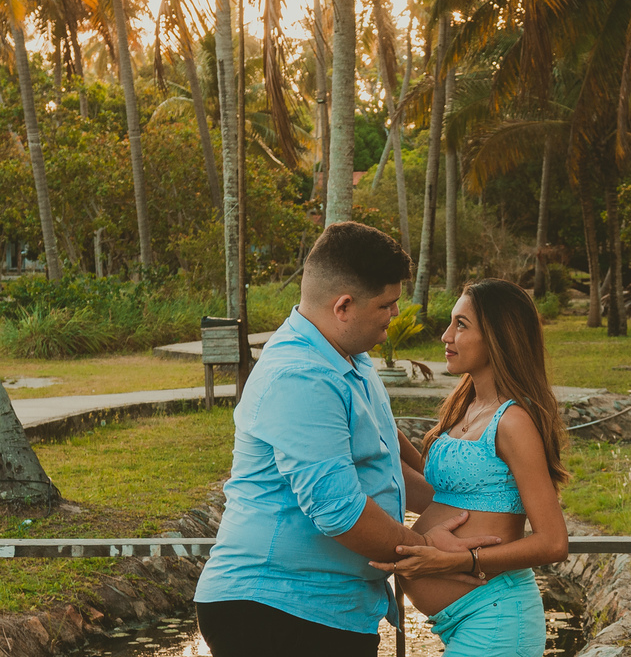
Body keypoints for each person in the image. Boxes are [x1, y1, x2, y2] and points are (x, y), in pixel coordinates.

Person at [194, 222, 497, 657]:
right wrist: (429, 549)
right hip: (275, 610)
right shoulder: (301, 375)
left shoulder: (349, 356)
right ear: (343, 306)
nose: (395, 316)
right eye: (386, 305)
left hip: (327, 609)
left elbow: (384, 454)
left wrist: (467, 509)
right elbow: (340, 512)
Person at [369, 278, 570, 657]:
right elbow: (435, 491)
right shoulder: (465, 407)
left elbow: (554, 542)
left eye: (461, 325)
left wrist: (461, 560)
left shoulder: (514, 421)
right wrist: (370, 412)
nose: (446, 335)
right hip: (467, 621)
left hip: (496, 616)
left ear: (499, 337)